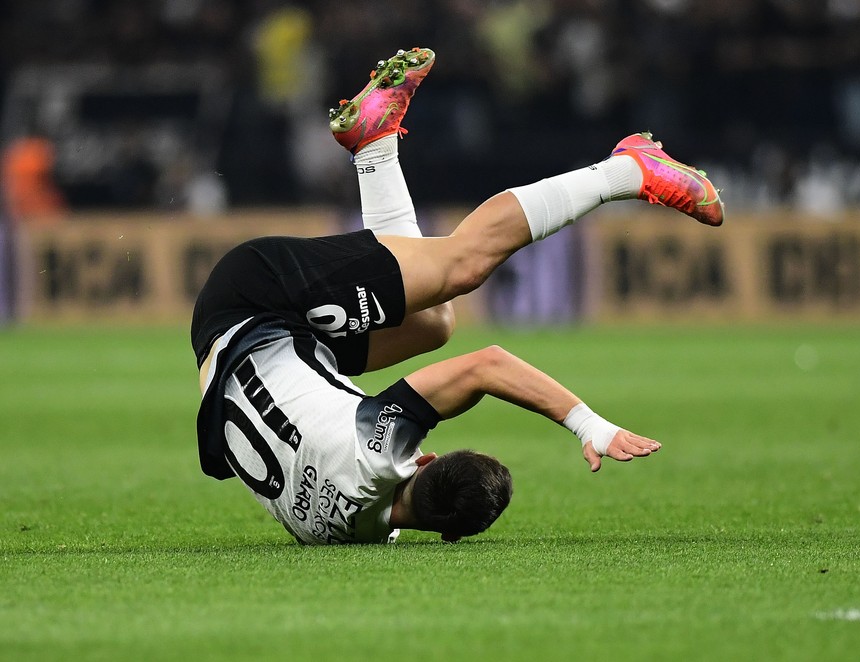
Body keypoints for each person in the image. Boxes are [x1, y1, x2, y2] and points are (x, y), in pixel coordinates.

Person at [192, 47, 724, 545]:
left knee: (461, 267)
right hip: (238, 351)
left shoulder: (379, 452)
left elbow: (486, 367)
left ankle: (627, 171)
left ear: (422, 460)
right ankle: (373, 146)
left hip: (252, 302)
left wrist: (589, 425)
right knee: (433, 323)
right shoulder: (354, 532)